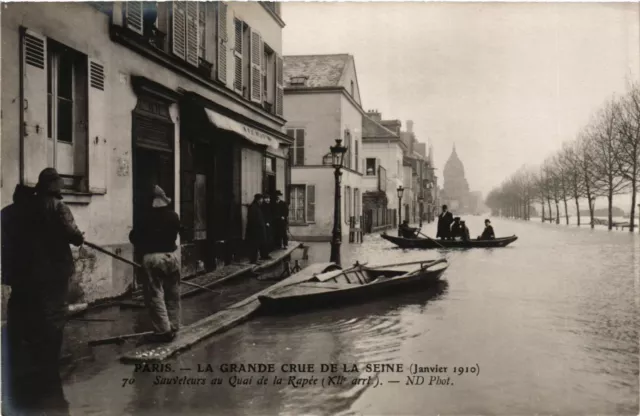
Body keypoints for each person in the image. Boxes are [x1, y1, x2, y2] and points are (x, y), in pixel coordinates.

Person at [4, 168, 84, 414]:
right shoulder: (58, 207)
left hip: (22, 274)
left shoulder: (16, 209)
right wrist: (79, 238)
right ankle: (47, 369)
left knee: (23, 315)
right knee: (53, 317)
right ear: (56, 185)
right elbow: (73, 235)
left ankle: (22, 363)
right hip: (52, 273)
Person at [129, 185, 181, 343]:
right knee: (172, 294)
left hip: (153, 259)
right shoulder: (174, 216)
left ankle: (163, 331)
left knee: (155, 294)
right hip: (172, 257)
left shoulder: (144, 217)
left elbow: (134, 238)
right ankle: (173, 325)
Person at [245, 194, 270, 264]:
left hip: (257, 230)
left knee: (256, 246)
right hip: (254, 231)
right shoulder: (253, 207)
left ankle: (254, 260)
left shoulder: (257, 207)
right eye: (261, 199)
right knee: (254, 246)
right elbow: (252, 220)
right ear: (258, 200)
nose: (262, 200)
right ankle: (253, 261)